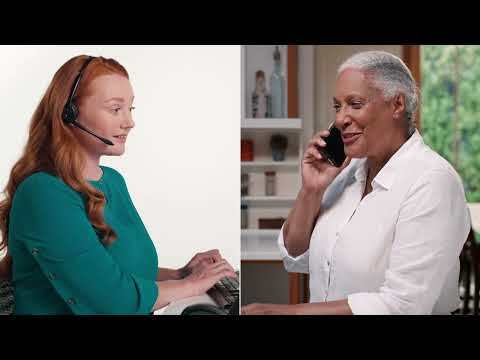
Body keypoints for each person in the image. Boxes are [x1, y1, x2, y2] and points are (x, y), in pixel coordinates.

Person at [0, 55, 236, 315]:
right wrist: (191, 285)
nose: (129, 122)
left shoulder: (112, 181)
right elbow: (112, 301)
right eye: (115, 109)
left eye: (130, 109)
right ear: (69, 112)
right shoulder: (44, 193)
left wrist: (181, 274)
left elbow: (116, 273)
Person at [241, 51, 470, 315]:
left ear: (397, 104)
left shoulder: (433, 181)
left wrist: (287, 312)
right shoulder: (348, 173)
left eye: (355, 104)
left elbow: (403, 306)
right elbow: (295, 255)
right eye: (338, 106)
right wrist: (312, 190)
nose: (340, 119)